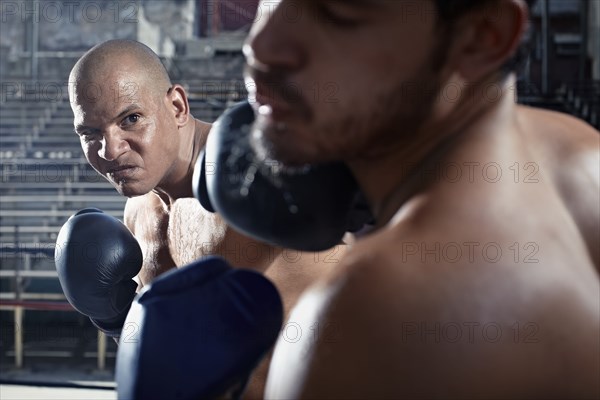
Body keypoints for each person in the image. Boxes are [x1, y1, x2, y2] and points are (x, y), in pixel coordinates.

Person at [226, 0, 600, 398]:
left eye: (337, 12)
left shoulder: (370, 316)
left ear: (481, 38)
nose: (261, 46)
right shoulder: (581, 153)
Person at [65, 39, 343, 398]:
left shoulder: (256, 178)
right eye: (90, 132)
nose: (110, 150)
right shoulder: (138, 213)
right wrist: (116, 322)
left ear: (178, 106)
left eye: (131, 119)